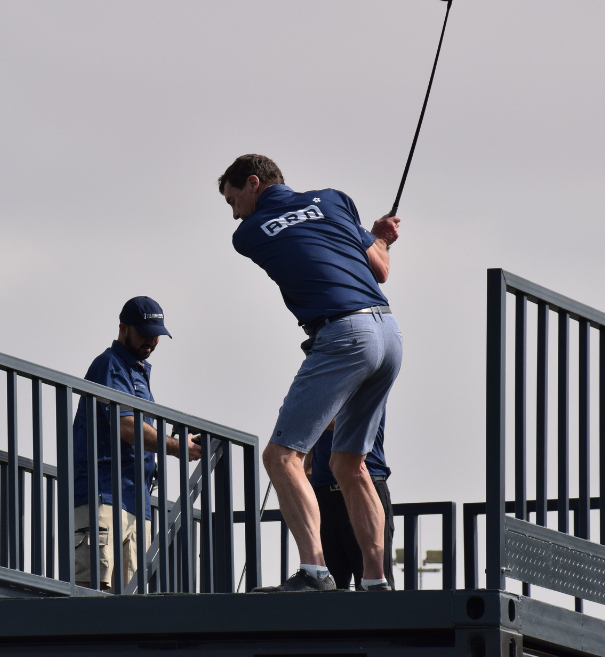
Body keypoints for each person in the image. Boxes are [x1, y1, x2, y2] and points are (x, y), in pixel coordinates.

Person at [220, 153, 402, 592]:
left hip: (343, 334)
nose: (233, 211)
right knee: (351, 464)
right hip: (389, 332)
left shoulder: (246, 234)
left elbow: (299, 248)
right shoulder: (335, 200)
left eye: (233, 199)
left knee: (282, 457)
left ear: (253, 182)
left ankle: (315, 572)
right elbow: (380, 268)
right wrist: (379, 238)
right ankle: (376, 582)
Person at [72, 297, 201, 592]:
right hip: (102, 493)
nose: (151, 341)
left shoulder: (138, 371)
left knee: (129, 595)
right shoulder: (109, 364)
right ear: (123, 329)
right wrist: (177, 448)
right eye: (144, 332)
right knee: (94, 587)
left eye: (156, 334)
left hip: (135, 499)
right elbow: (126, 426)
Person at [305, 414, 395, 590]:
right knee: (329, 590)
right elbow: (312, 448)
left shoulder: (359, 386)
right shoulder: (320, 394)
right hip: (325, 496)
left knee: (373, 587)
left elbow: (351, 419)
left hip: (364, 490)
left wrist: (303, 414)